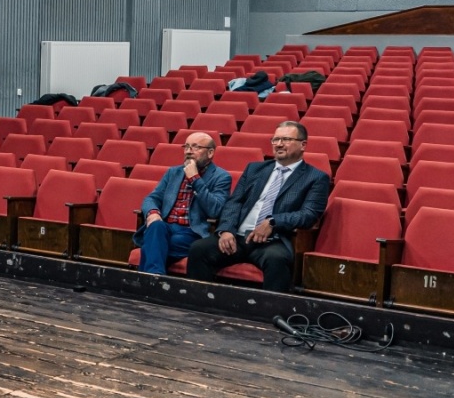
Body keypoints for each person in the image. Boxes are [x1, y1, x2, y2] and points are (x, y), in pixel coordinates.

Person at [184, 122, 330, 293]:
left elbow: (309, 214)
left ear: (303, 145)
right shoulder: (255, 169)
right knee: (199, 249)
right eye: (275, 140)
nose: (279, 144)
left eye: (286, 139)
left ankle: (270, 313)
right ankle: (200, 304)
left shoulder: (316, 178)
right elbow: (234, 202)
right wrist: (226, 229)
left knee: (277, 259)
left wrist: (273, 221)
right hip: (238, 237)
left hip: (272, 241)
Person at [132, 132, 232, 274]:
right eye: (186, 147)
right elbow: (151, 198)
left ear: (210, 153)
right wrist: (153, 213)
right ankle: (155, 279)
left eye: (195, 147)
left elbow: (215, 210)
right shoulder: (173, 172)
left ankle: (151, 279)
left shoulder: (221, 177)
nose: (189, 151)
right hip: (165, 227)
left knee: (154, 244)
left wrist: (195, 179)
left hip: (191, 232)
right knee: (156, 227)